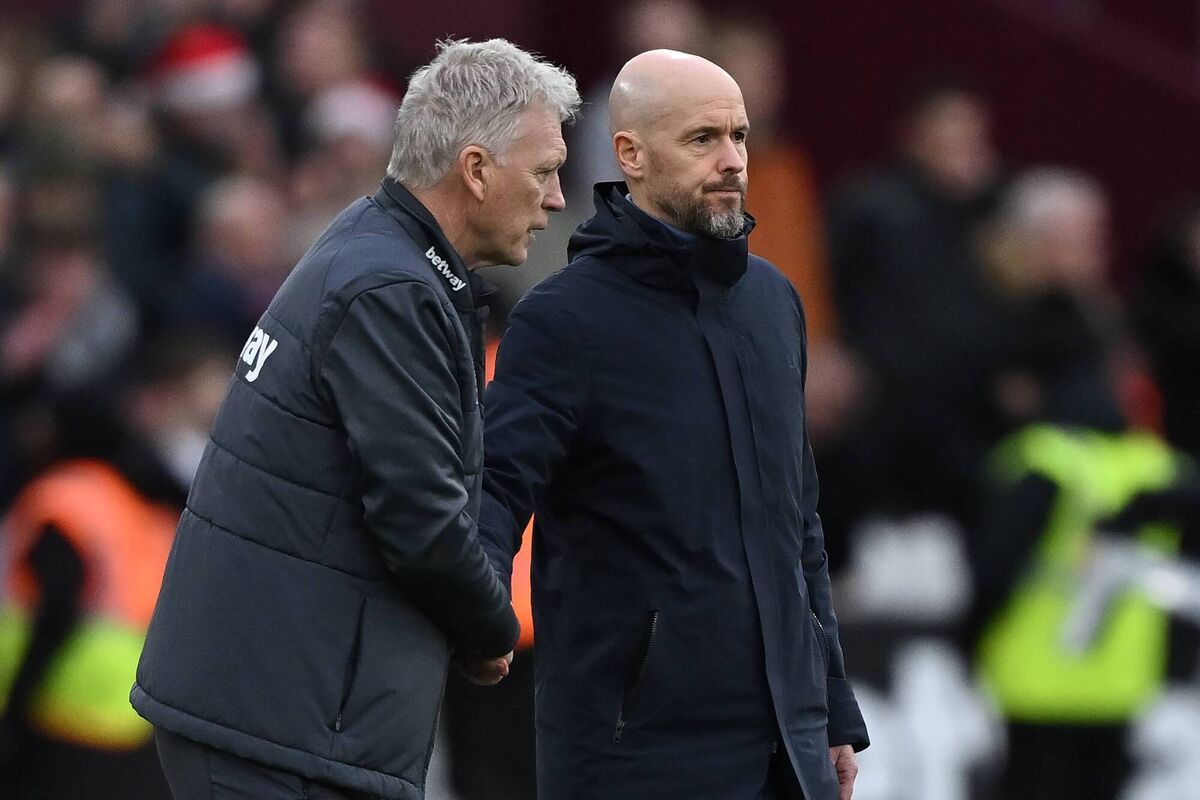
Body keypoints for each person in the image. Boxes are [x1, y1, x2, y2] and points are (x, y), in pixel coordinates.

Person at [130, 39, 579, 800]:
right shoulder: (389, 288)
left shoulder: (373, 249)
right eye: (542, 172)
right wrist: (491, 630)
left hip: (272, 711)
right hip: (278, 729)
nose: (558, 197)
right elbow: (422, 518)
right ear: (475, 170)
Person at [480, 50, 869, 800]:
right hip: (633, 755)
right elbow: (493, 496)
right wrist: (473, 626)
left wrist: (830, 709)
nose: (731, 161)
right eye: (702, 140)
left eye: (740, 137)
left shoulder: (773, 304)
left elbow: (799, 526)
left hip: (783, 747)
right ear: (630, 153)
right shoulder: (562, 322)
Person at [0, 328, 229, 800]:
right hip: (133, 724)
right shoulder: (150, 507)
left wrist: (14, 719)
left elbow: (53, 615)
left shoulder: (67, 497)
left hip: (58, 718)